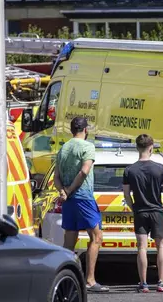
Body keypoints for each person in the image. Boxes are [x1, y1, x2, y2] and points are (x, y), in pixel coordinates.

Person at [54, 117, 109, 293]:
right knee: (96, 237)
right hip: (82, 197)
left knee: (69, 240)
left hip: (69, 201)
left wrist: (62, 191)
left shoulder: (64, 148)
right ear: (85, 130)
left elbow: (56, 177)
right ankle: (90, 280)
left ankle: (63, 278)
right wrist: (69, 190)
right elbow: (85, 171)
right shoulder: (87, 146)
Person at [122, 134, 163, 293]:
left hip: (140, 211)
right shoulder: (160, 168)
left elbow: (126, 194)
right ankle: (161, 281)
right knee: (161, 246)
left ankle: (143, 283)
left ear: (137, 148)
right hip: (156, 211)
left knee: (142, 248)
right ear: (151, 148)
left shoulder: (129, 170)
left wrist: (134, 208)